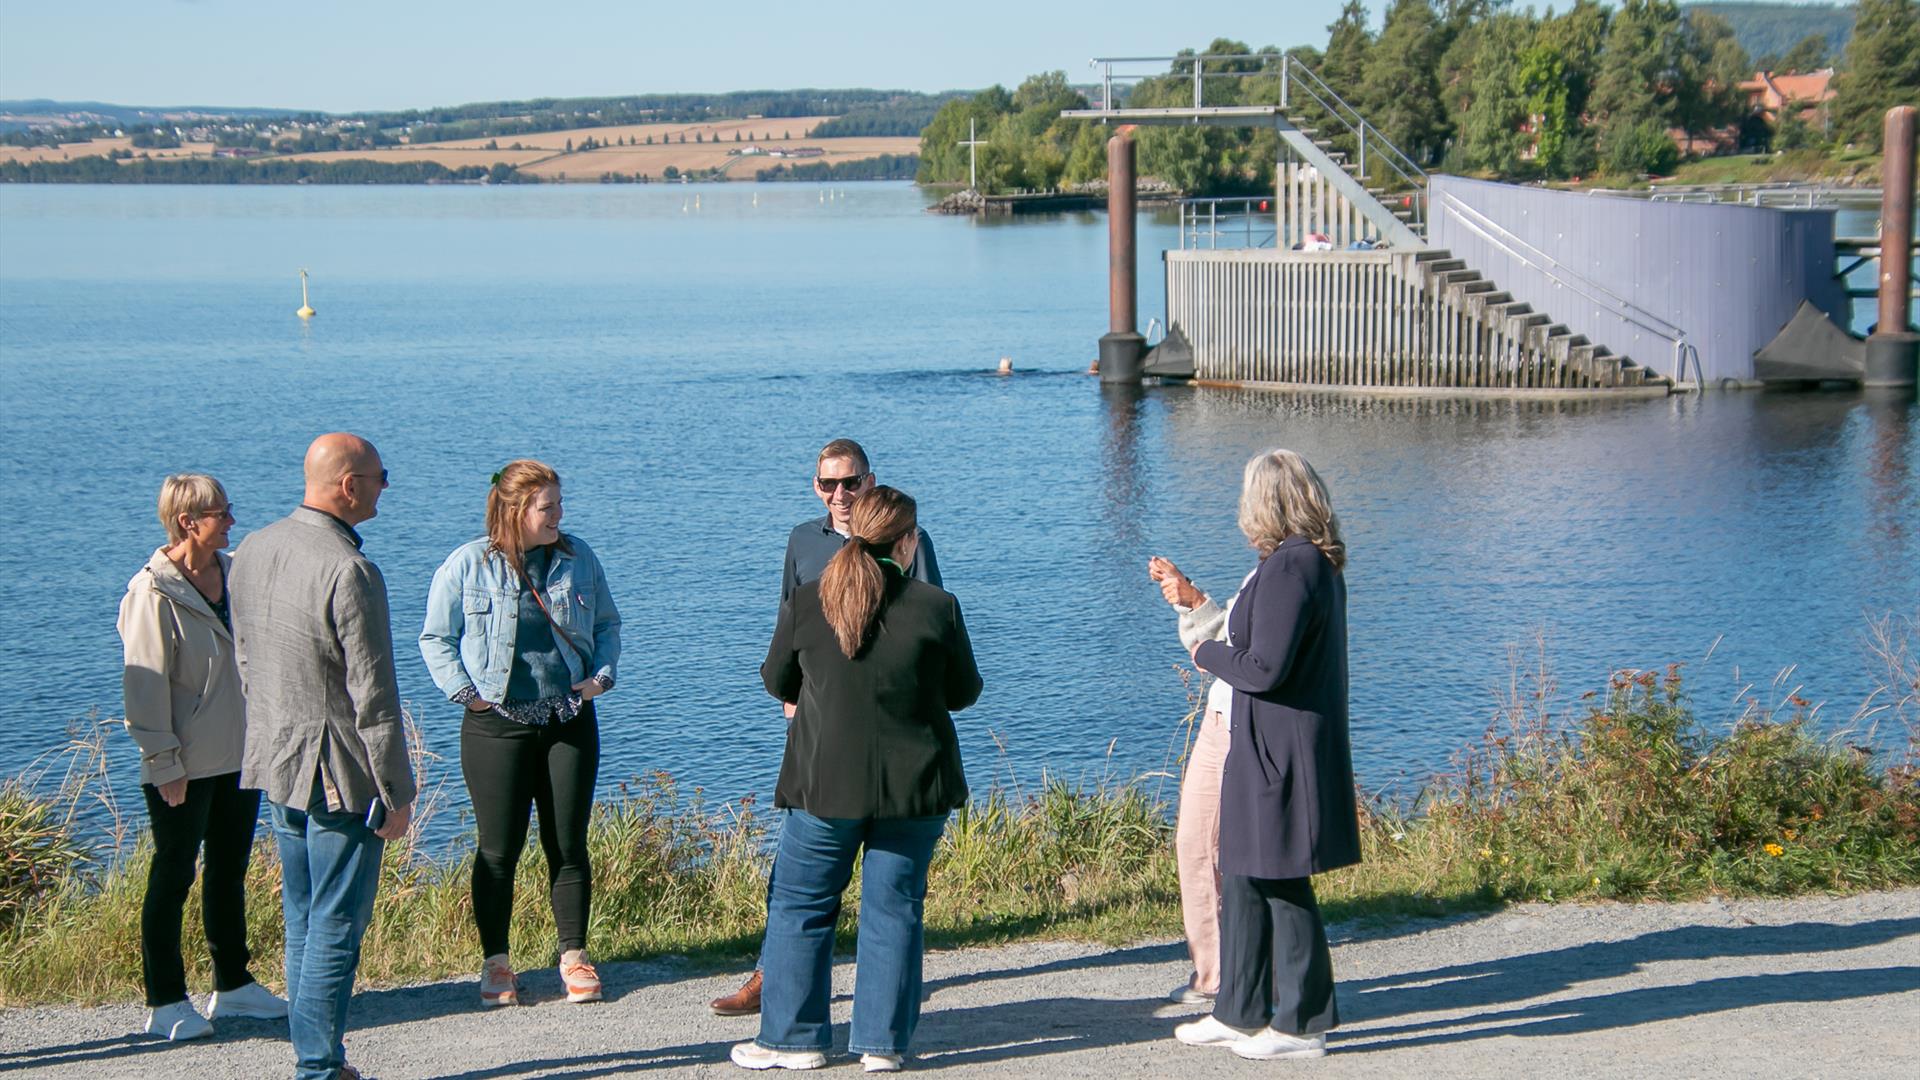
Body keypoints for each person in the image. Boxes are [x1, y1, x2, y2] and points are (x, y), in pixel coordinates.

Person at [731, 486, 981, 1073]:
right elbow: (964, 693)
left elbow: (776, 680)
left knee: (802, 905)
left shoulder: (810, 600)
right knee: (894, 908)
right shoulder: (935, 606)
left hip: (823, 784)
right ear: (908, 541)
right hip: (914, 786)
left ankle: (793, 1040)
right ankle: (881, 1044)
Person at [711, 438, 942, 1018]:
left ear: (870, 482)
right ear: (816, 487)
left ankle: (866, 996)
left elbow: (931, 620)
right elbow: (788, 623)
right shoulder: (802, 541)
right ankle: (772, 974)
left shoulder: (911, 541)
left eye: (850, 482)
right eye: (827, 484)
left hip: (887, 728)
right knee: (802, 861)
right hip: (817, 724)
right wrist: (791, 695)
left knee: (880, 881)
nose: (839, 494)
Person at [230, 433, 416, 1080]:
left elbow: (246, 656)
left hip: (276, 755)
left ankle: (316, 1058)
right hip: (339, 772)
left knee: (303, 915)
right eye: (380, 476)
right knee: (336, 922)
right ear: (349, 485)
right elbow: (374, 693)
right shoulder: (350, 570)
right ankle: (317, 1065)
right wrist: (396, 790)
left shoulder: (252, 548)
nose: (384, 488)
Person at [1173, 449, 1358, 1062]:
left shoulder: (1292, 567)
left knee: (1281, 882)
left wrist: (1204, 652)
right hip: (1264, 742)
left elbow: (1263, 666)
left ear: (1266, 503)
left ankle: (1303, 1023)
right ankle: (1240, 1009)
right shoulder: (1300, 564)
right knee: (1247, 874)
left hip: (1280, 746)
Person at [420, 459, 622, 1008]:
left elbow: (607, 623)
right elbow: (436, 638)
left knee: (567, 844)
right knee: (497, 849)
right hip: (496, 727)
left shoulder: (579, 559)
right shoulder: (467, 564)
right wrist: (468, 695)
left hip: (568, 721)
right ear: (515, 510)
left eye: (559, 503)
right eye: (547, 506)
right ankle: (497, 963)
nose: (559, 514)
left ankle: (575, 957)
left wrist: (599, 678)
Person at [118, 474, 287, 1042]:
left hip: (240, 754)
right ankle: (165, 999)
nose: (232, 520)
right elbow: (145, 689)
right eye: (221, 513)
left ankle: (233, 984)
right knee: (172, 876)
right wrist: (164, 762)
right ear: (188, 522)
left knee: (229, 871)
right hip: (183, 763)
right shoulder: (151, 593)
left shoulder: (236, 574)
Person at [1144, 553, 1250, 1009]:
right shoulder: (1266, 572)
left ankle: (1219, 976)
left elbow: (1247, 653)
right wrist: (1193, 602)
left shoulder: (1288, 572)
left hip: (1237, 716)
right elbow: (1234, 634)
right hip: (1222, 710)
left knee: (1204, 844)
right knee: (1198, 844)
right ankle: (1218, 968)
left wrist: (1202, 635)